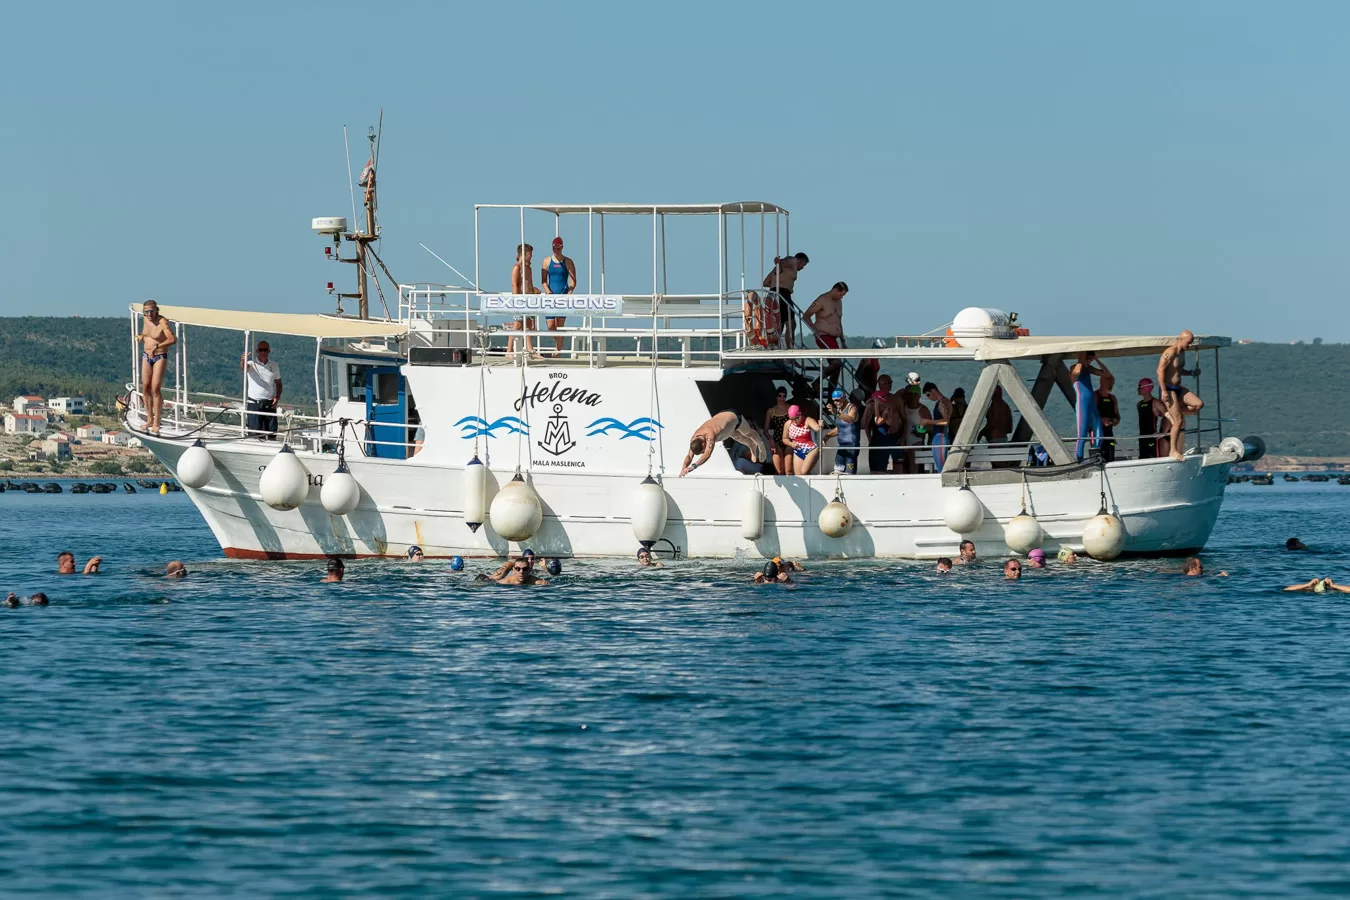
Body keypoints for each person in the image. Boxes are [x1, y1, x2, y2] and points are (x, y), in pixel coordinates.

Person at [1157, 331, 1205, 460]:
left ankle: (1175, 412)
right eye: (1188, 343)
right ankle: (1173, 451)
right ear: (1181, 339)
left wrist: (1191, 373)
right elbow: (1160, 370)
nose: (1190, 346)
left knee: (1198, 404)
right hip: (1168, 389)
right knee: (1178, 421)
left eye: (1191, 343)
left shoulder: (1182, 353)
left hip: (1178, 388)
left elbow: (1177, 370)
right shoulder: (1170, 352)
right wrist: (1163, 391)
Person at [680, 411, 767, 476]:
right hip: (727, 428)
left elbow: (707, 454)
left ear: (703, 444)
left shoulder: (710, 434)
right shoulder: (694, 438)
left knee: (748, 433)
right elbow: (689, 456)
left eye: (702, 451)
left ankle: (760, 444)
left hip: (733, 417)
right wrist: (683, 468)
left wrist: (693, 467)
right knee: (739, 438)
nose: (704, 452)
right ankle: (751, 445)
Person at [136, 300, 176, 435]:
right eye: (146, 312)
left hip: (159, 355)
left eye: (151, 311)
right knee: (145, 387)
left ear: (156, 310)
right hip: (146, 355)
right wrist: (141, 336)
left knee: (155, 388)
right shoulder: (145, 320)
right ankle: (149, 418)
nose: (149, 314)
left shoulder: (162, 321)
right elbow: (146, 333)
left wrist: (157, 346)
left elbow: (172, 339)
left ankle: (157, 421)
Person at [802, 282, 848, 389]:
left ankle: (831, 395)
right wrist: (814, 329)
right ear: (835, 290)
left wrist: (843, 340)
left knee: (837, 368)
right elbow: (806, 316)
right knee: (836, 363)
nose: (841, 297)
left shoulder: (839, 302)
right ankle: (817, 382)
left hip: (834, 338)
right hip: (823, 336)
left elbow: (839, 321)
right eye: (841, 294)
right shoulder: (822, 300)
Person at [762, 252, 809, 347]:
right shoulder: (793, 261)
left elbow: (766, 282)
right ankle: (789, 348)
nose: (802, 268)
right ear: (800, 261)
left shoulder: (777, 269)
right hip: (782, 294)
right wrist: (779, 261)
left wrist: (778, 279)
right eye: (803, 265)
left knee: (780, 323)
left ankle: (776, 347)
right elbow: (789, 260)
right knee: (791, 324)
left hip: (772, 294)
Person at [540, 236, 577, 356]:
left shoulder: (568, 261)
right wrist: (548, 292)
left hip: (563, 295)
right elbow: (543, 281)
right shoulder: (546, 261)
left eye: (559, 248)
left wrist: (569, 294)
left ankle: (558, 350)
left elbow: (573, 281)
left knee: (560, 325)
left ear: (562, 247)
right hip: (551, 296)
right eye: (554, 248)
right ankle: (560, 343)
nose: (557, 250)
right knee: (551, 325)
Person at [1070, 351, 1109, 460]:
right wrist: (1081, 357)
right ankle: (1079, 460)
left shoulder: (1088, 369)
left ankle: (1095, 458)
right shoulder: (1074, 368)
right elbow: (1077, 372)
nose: (1089, 361)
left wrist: (1096, 359)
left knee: (1099, 433)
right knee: (1082, 435)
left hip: (1092, 405)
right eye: (1088, 359)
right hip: (1082, 404)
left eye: (1091, 360)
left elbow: (1106, 374)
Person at [241, 340, 283, 440]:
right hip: (254, 404)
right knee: (254, 434)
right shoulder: (252, 364)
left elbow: (278, 383)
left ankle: (271, 447)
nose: (263, 352)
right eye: (261, 350)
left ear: (269, 351)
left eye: (265, 350)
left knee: (272, 433)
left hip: (269, 404)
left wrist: (277, 397)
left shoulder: (274, 365)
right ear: (257, 351)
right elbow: (244, 368)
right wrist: (243, 360)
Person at [862, 375, 901, 474]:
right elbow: (865, 423)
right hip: (879, 437)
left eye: (891, 382)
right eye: (887, 383)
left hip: (894, 437)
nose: (890, 385)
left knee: (894, 466)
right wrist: (869, 438)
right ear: (879, 384)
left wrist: (903, 436)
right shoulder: (873, 401)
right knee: (878, 468)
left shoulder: (896, 399)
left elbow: (903, 419)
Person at [509, 243, 540, 355]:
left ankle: (530, 350)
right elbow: (514, 284)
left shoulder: (528, 268)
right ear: (524, 254)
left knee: (530, 325)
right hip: (520, 300)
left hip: (530, 300)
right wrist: (516, 300)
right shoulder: (517, 268)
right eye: (530, 254)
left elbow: (528, 283)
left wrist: (534, 290)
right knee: (517, 325)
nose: (531, 256)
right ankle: (509, 350)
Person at [782, 405, 824, 475]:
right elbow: (785, 439)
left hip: (811, 450)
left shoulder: (808, 420)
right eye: (792, 419)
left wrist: (820, 425)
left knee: (804, 472)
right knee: (799, 476)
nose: (794, 421)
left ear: (800, 415)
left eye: (796, 418)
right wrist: (791, 444)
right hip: (798, 450)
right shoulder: (788, 424)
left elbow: (817, 428)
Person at [921, 382, 952, 470]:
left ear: (933, 390)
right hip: (939, 436)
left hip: (940, 436)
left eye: (928, 395)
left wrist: (928, 422)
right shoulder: (942, 402)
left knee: (941, 467)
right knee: (939, 465)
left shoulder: (942, 403)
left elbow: (946, 421)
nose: (929, 398)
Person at [900, 373, 927, 474]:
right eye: (910, 394)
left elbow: (930, 429)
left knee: (913, 468)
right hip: (903, 441)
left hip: (916, 441)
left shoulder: (923, 410)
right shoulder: (903, 407)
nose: (912, 397)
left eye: (915, 395)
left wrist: (919, 431)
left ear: (919, 396)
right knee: (903, 467)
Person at [829, 389, 861, 474]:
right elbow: (840, 428)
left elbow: (850, 419)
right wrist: (828, 436)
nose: (835, 403)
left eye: (837, 400)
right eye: (833, 401)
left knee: (849, 473)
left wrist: (837, 413)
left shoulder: (852, 408)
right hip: (842, 446)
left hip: (852, 446)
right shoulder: (839, 410)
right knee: (837, 471)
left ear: (843, 397)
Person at [764, 386, 794, 476]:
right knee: (779, 472)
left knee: (788, 472)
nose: (782, 398)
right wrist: (771, 440)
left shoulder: (791, 408)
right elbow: (765, 430)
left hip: (789, 440)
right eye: (780, 396)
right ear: (776, 397)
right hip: (777, 440)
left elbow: (797, 423)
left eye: (784, 396)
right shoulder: (771, 411)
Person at [1095, 373, 1120, 463]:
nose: (1112, 385)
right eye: (1110, 383)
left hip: (1109, 434)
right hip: (1098, 434)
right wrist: (1102, 420)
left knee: (1111, 457)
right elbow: (1090, 415)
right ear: (1103, 382)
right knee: (1100, 459)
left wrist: (1116, 420)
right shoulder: (1095, 396)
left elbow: (1117, 415)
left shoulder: (1113, 398)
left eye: (1113, 383)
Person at [1136, 378, 1161, 459]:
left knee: (1153, 458)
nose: (1138, 389)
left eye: (1139, 387)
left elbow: (1167, 417)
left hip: (1152, 437)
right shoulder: (1139, 404)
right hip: (1142, 437)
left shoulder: (1155, 402)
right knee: (1142, 458)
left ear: (1146, 388)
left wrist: (1162, 432)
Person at [1285, 578, 1350, 593]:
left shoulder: (1335, 589)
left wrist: (1333, 586)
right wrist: (1308, 584)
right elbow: (1287, 589)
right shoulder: (1310, 589)